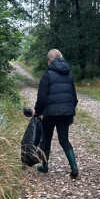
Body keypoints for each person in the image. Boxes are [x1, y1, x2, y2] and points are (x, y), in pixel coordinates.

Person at [33, 49, 79, 178]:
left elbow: (42, 98)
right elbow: (74, 97)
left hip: (50, 114)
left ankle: (45, 166)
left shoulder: (47, 74)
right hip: (65, 114)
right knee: (64, 140)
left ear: (50, 60)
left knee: (46, 140)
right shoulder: (69, 73)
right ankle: (74, 168)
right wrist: (69, 110)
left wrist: (37, 111)